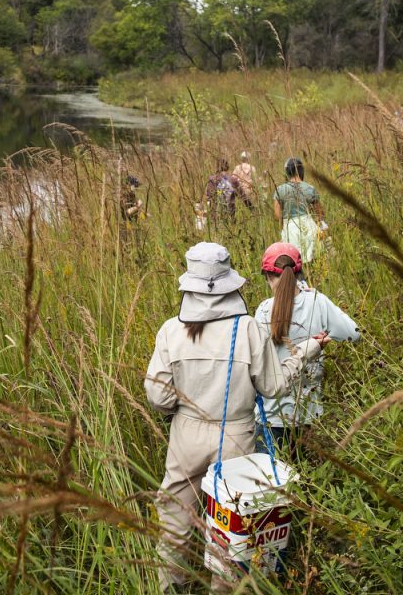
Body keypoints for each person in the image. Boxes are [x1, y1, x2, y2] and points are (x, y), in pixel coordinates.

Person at [145, 242, 336, 592]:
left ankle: (172, 585)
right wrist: (307, 350)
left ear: (189, 283)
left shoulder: (171, 330)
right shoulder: (248, 328)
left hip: (186, 432)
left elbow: (157, 395)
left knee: (175, 515)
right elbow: (274, 386)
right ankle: (224, 588)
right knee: (233, 524)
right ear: (230, 282)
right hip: (236, 435)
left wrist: (183, 409)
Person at [255, 242, 360, 452]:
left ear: (268, 276)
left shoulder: (264, 311)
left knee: (271, 482)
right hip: (308, 415)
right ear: (299, 273)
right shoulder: (317, 302)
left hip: (270, 418)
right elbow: (353, 333)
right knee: (308, 482)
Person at [273, 158, 324, 264]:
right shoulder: (310, 188)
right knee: (312, 259)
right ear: (301, 170)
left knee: (293, 260)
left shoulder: (280, 190)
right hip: (308, 226)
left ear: (287, 172)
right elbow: (320, 213)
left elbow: (277, 215)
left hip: (290, 228)